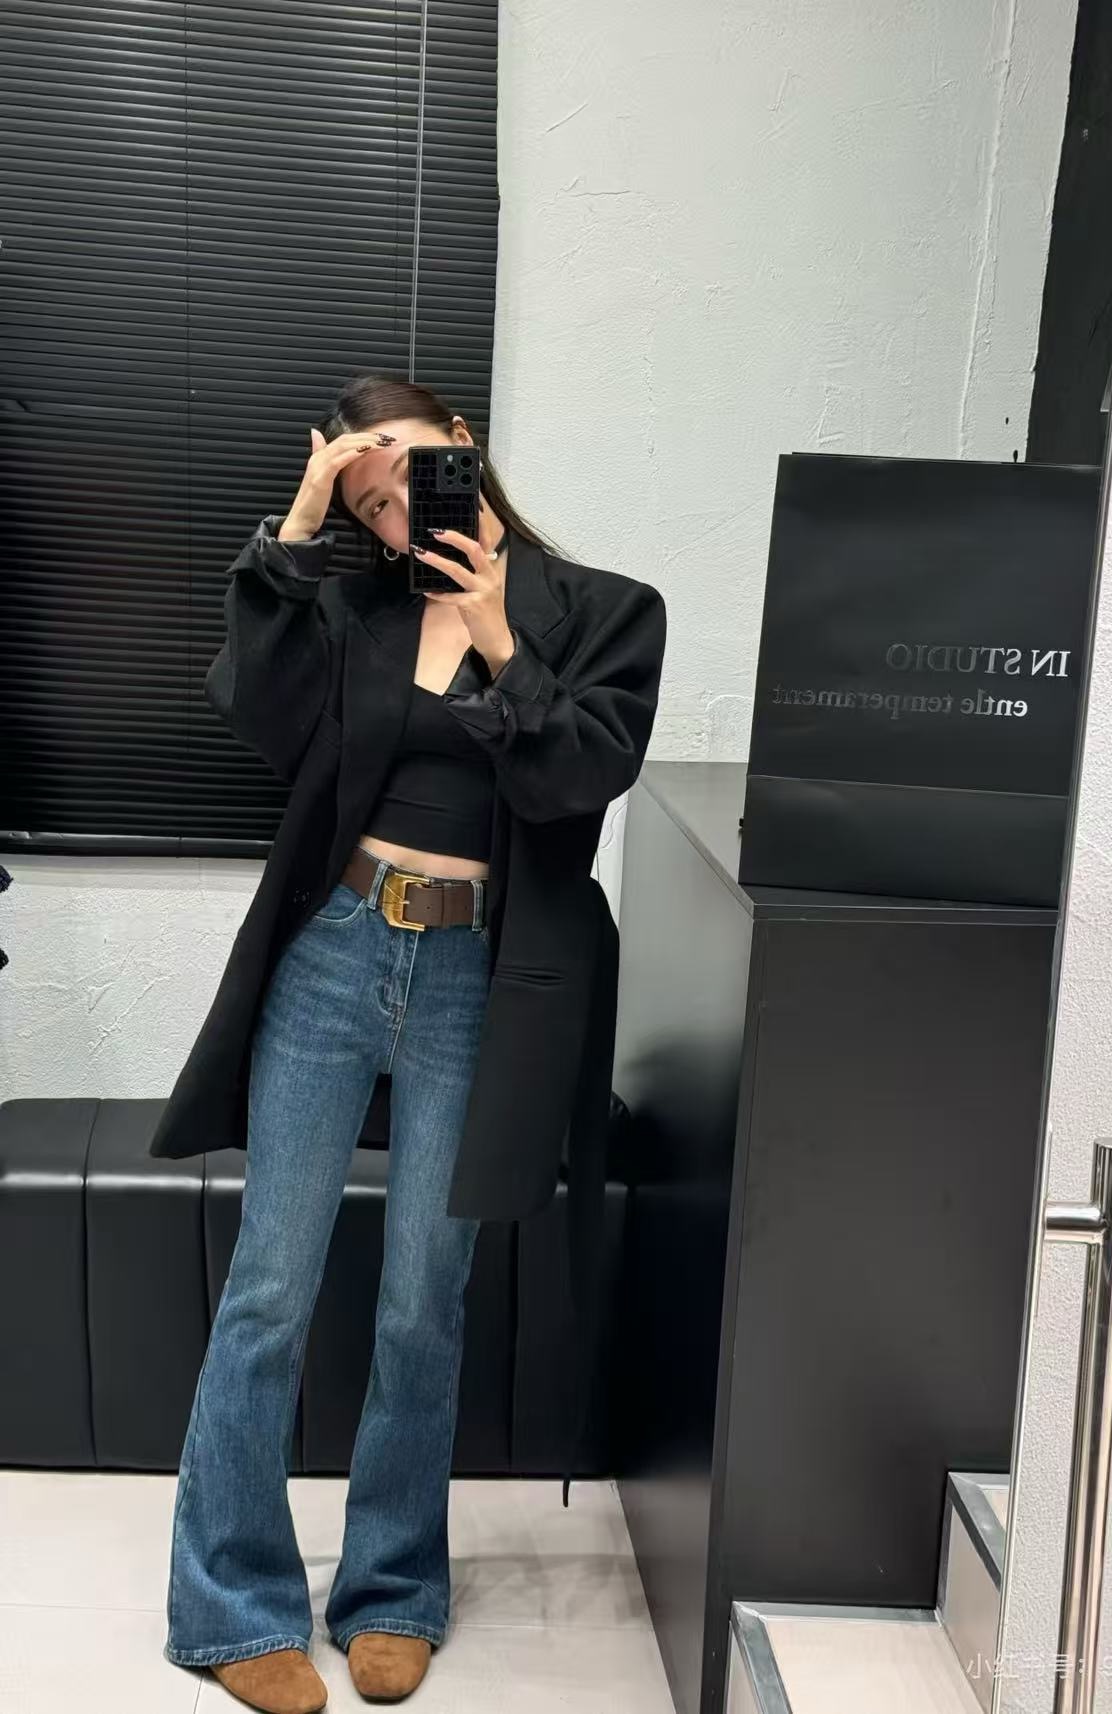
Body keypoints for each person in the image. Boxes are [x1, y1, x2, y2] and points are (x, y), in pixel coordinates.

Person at [157, 371, 667, 1713]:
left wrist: (499, 636)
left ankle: (391, 1589)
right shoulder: (356, 609)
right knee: (270, 1285)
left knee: (422, 1297)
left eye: (408, 476)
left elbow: (582, 776)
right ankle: (230, 1605)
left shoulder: (607, 611)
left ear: (463, 443)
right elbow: (257, 707)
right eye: (372, 503)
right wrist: (300, 519)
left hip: (471, 975)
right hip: (333, 952)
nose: (396, 513)